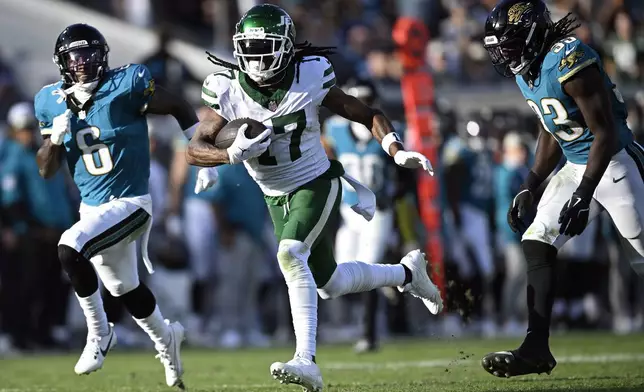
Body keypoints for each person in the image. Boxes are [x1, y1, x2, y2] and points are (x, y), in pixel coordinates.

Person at [186, 4, 443, 391]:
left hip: (315, 182)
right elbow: (194, 147)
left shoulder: (310, 75)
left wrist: (395, 149)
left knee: (290, 255)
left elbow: (366, 113)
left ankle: (305, 360)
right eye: (249, 49)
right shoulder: (226, 87)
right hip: (275, 196)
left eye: (265, 48)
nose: (256, 59)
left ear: (286, 48)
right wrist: (225, 156)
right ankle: (408, 273)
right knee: (329, 283)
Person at [33, 23, 218, 388]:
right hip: (93, 208)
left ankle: (99, 333)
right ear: (62, 62)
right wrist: (54, 139)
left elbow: (179, 105)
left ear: (102, 54)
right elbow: (45, 169)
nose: (82, 62)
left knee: (70, 248)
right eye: (74, 55)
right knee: (124, 289)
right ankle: (168, 342)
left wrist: (199, 153)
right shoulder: (48, 100)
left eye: (88, 53)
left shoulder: (127, 83)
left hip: (132, 201)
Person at [482, 0, 644, 378]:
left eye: (509, 45)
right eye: (499, 49)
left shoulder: (569, 57)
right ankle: (535, 347)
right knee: (537, 240)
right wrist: (529, 185)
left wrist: (584, 195)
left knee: (641, 259)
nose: (505, 57)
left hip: (615, 162)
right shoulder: (529, 70)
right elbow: (551, 128)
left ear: (534, 34)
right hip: (575, 165)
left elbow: (603, 133)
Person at [324, 78, 415, 352]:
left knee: (364, 268)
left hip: (378, 212)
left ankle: (369, 335)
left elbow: (403, 176)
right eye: (357, 100)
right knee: (338, 277)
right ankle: (387, 275)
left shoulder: (387, 130)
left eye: (367, 100)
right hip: (347, 210)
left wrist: (396, 198)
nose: (362, 106)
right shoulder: (334, 128)